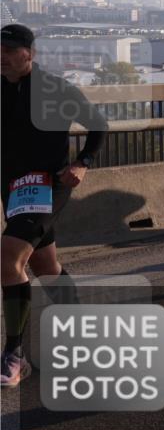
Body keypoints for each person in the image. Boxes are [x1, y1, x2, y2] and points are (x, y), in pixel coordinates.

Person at [1, 24, 108, 388]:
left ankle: (15, 353)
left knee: (8, 260)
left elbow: (98, 125)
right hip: (13, 188)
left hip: (48, 185)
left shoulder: (54, 89)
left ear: (29, 54)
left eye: (9, 49)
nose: (1, 55)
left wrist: (82, 163)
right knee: (45, 265)